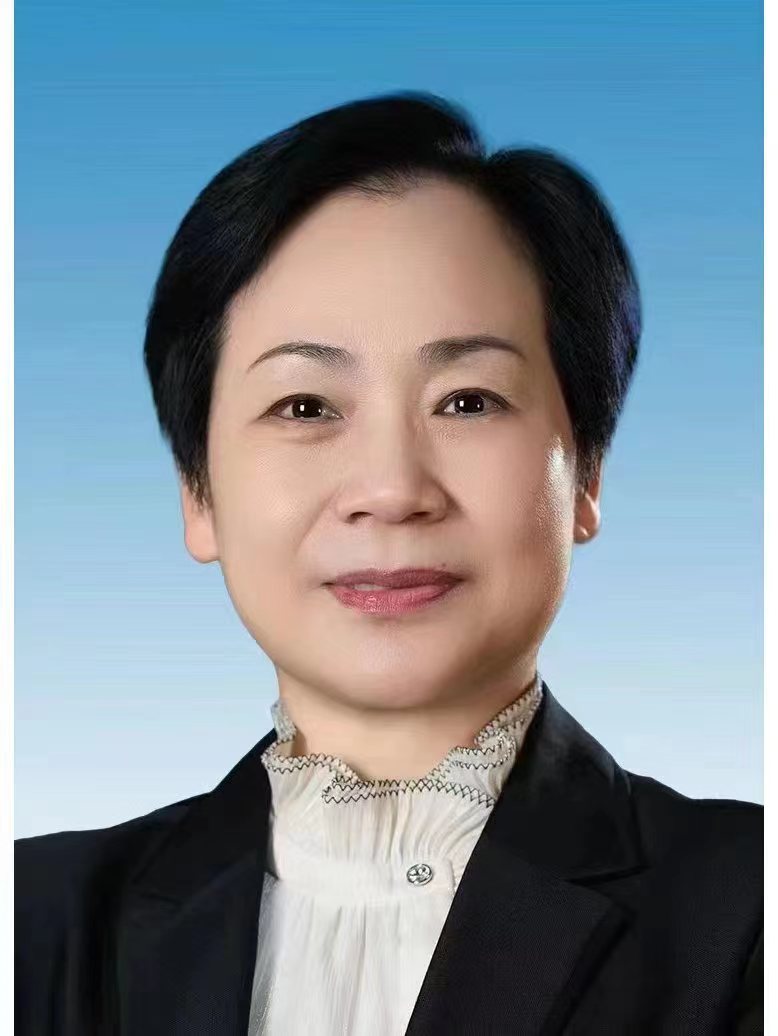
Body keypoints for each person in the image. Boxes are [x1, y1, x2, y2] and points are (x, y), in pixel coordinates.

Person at [15, 91, 762, 1035]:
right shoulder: (32, 926)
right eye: (305, 407)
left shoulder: (749, 912)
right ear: (198, 494)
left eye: (468, 401)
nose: (392, 488)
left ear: (586, 474)